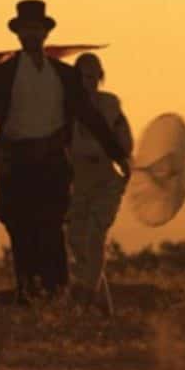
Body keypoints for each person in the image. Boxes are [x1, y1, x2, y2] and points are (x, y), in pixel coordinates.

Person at [0, 0, 128, 303]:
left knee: (52, 231)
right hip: (15, 163)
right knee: (22, 232)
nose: (31, 35)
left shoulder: (65, 76)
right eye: (26, 30)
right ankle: (29, 296)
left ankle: (55, 298)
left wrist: (117, 153)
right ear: (19, 35)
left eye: (37, 30)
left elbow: (90, 116)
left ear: (44, 34)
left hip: (53, 162)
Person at [65, 53, 133, 305]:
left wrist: (123, 159)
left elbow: (125, 142)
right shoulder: (67, 108)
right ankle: (102, 302)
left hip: (105, 177)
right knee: (76, 239)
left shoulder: (110, 104)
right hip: (78, 178)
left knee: (96, 235)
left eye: (94, 76)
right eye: (85, 76)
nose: (90, 82)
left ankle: (88, 296)